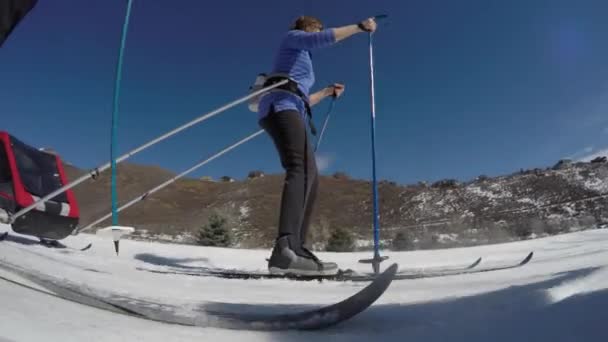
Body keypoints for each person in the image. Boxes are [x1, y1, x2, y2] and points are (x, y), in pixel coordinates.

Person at [257, 15, 378, 275]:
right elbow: (323, 39)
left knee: (311, 175)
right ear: (306, 27)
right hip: (281, 106)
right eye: (317, 27)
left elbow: (301, 98)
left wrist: (325, 92)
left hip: (290, 106)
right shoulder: (294, 39)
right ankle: (286, 249)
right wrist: (358, 27)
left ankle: (297, 248)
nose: (319, 30)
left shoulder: (300, 58)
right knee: (300, 169)